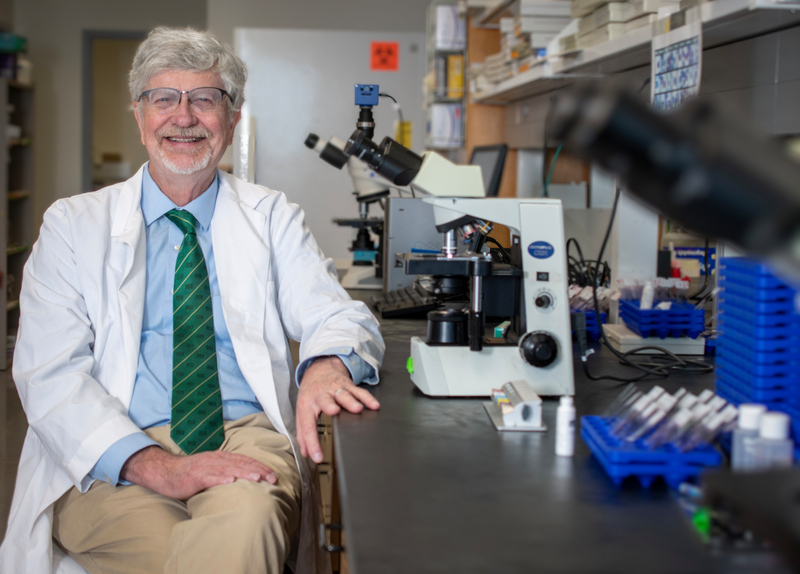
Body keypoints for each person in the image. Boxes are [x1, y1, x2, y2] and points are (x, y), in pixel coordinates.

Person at [0, 27, 384, 574]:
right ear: (139, 114)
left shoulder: (271, 216)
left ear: (231, 119)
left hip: (244, 440)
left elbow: (335, 311)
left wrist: (324, 363)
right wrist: (154, 465)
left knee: (245, 524)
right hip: (112, 452)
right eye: (164, 98)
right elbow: (48, 375)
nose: (184, 117)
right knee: (222, 556)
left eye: (205, 99)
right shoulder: (72, 226)